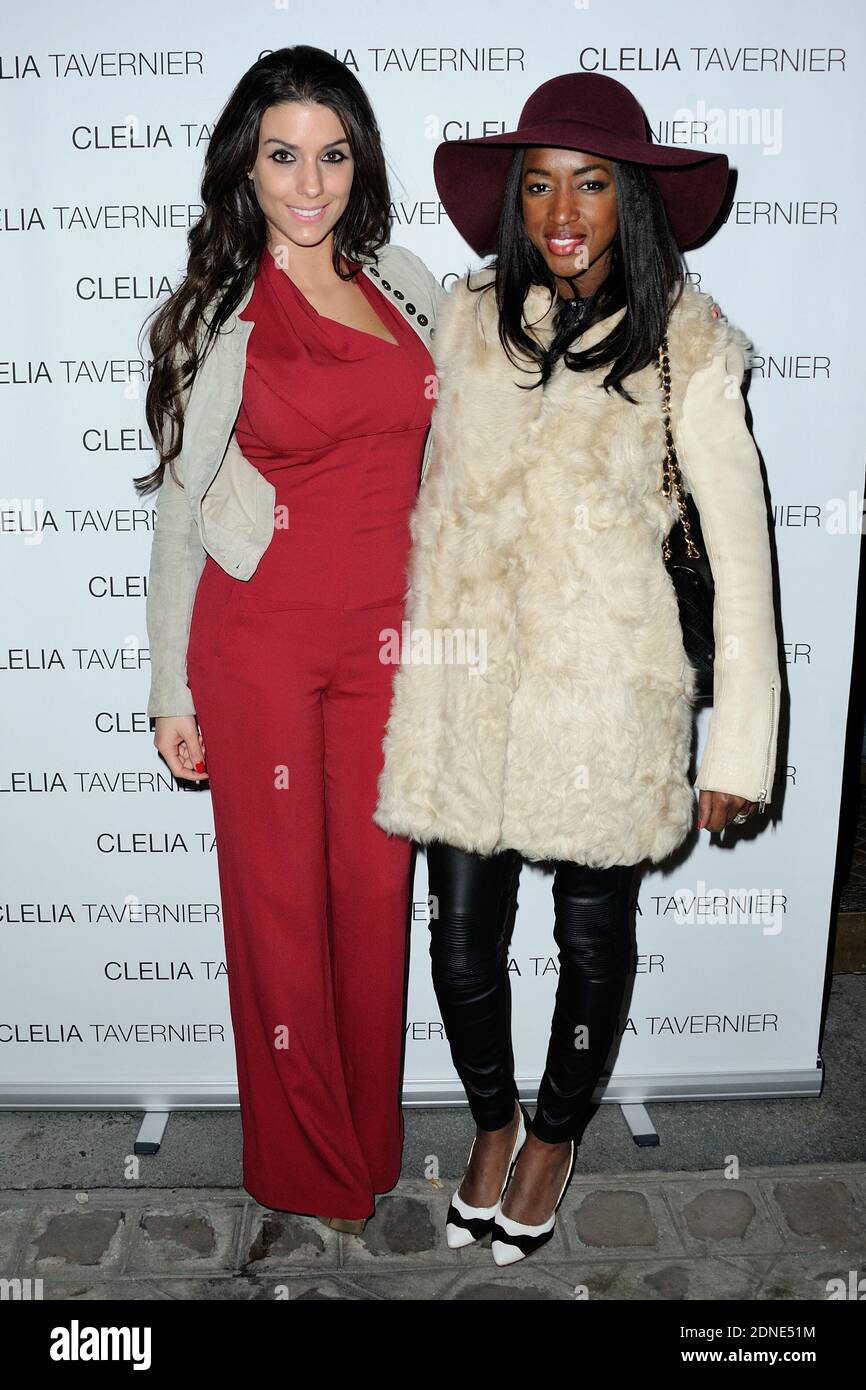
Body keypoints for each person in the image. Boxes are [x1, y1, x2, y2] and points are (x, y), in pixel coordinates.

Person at [373, 72, 782, 1264]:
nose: (562, 208)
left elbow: (745, 567)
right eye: (540, 182)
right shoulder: (460, 320)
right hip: (464, 688)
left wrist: (739, 744)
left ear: (629, 200)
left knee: (590, 935)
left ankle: (554, 1135)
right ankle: (492, 1121)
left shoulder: (686, 347)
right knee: (458, 945)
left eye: (590, 182)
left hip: (607, 692)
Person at [136, 46, 444, 1232]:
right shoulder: (218, 311)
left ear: (355, 159)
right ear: (245, 168)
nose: (307, 182)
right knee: (277, 909)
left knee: (373, 898)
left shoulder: (404, 280)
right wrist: (170, 682)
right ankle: (304, 1167)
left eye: (329, 153)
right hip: (259, 641)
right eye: (281, 156)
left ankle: (367, 1142)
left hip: (389, 646)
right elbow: (178, 510)